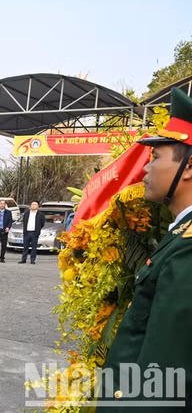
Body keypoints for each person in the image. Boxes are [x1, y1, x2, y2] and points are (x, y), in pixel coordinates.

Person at [99, 87, 192, 407]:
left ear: (189, 167)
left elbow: (164, 380)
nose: (144, 169)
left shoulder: (187, 250)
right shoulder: (179, 234)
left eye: (155, 157)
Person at [18, 201, 45, 265]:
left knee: (34, 247)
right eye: (32, 204)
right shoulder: (26, 213)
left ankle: (32, 260)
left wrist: (38, 230)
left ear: (38, 206)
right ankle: (23, 259)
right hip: (27, 232)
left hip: (34, 233)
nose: (33, 206)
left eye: (35, 204)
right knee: (25, 247)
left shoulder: (40, 215)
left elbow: (42, 223)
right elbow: (24, 222)